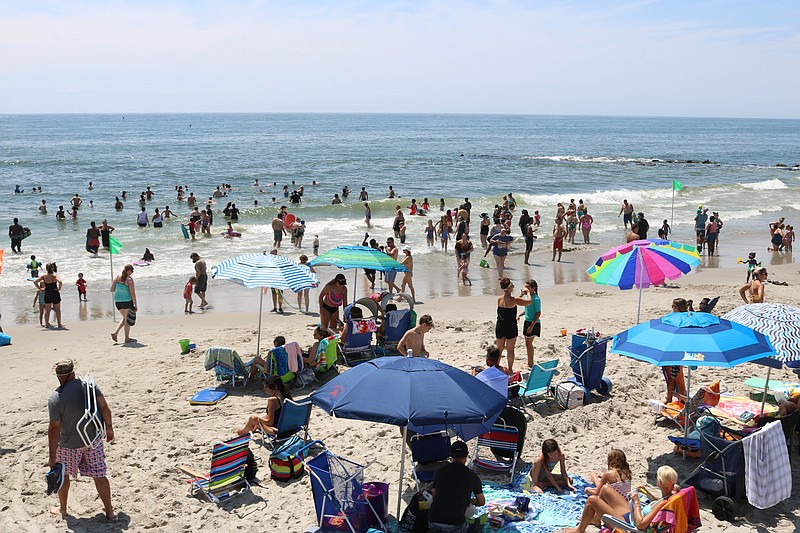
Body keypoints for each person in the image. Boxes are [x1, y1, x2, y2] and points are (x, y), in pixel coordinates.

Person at [47, 358, 115, 520]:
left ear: (58, 376)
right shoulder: (90, 387)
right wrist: (109, 428)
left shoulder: (55, 398)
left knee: (63, 475)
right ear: (73, 372)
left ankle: (63, 509)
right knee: (99, 475)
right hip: (93, 441)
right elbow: (104, 408)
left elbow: (54, 428)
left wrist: (52, 456)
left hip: (69, 445)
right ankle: (110, 512)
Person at [564, 449, 632, 533]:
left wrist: (593, 479)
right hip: (630, 513)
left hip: (624, 523)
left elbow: (596, 492)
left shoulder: (609, 474)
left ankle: (579, 530)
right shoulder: (628, 473)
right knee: (605, 488)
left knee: (592, 499)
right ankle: (596, 518)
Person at [427, 440, 485, 533]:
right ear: (466, 455)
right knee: (476, 526)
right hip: (455, 526)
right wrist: (468, 500)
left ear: (451, 454)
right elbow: (481, 502)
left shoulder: (440, 472)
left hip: (433, 523)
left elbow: (434, 496)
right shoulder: (472, 476)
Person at [627, 466, 681, 531]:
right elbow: (658, 503)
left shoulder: (663, 503)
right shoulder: (670, 496)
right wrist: (647, 493)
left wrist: (636, 502)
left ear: (660, 482)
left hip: (633, 525)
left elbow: (640, 525)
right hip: (637, 516)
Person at [495, 278, 531, 373]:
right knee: (510, 350)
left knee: (499, 349)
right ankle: (510, 369)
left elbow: (509, 303)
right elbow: (529, 302)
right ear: (510, 288)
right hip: (510, 326)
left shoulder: (499, 299)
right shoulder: (514, 300)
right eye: (512, 286)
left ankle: (496, 367)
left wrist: (520, 296)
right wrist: (527, 293)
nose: (514, 287)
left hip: (500, 326)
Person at [663, 299, 688, 403]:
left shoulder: (674, 320)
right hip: (680, 350)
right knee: (676, 377)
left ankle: (674, 399)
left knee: (674, 378)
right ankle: (675, 398)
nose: (672, 308)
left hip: (673, 350)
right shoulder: (687, 319)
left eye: (673, 306)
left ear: (677, 308)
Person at [110, 264, 137, 343]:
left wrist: (120, 287)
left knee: (125, 318)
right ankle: (126, 338)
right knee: (127, 319)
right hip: (127, 301)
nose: (132, 272)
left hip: (118, 301)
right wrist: (135, 304)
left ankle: (115, 333)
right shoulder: (129, 279)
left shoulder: (117, 277)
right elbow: (132, 293)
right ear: (129, 271)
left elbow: (112, 289)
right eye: (132, 271)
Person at [518, 279, 541, 367]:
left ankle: (530, 363)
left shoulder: (535, 299)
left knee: (529, 343)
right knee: (527, 343)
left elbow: (538, 313)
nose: (525, 289)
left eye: (527, 287)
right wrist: (519, 315)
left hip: (533, 323)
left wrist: (532, 325)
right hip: (527, 321)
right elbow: (528, 309)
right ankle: (529, 361)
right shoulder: (529, 298)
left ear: (533, 288)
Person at [34, 263, 64, 329]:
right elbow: (60, 282)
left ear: (46, 269)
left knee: (47, 310)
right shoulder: (55, 276)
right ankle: (59, 324)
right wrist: (59, 288)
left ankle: (47, 324)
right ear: (52, 268)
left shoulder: (44, 276)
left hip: (47, 293)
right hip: (55, 293)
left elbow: (35, 282)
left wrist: (40, 289)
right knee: (57, 310)